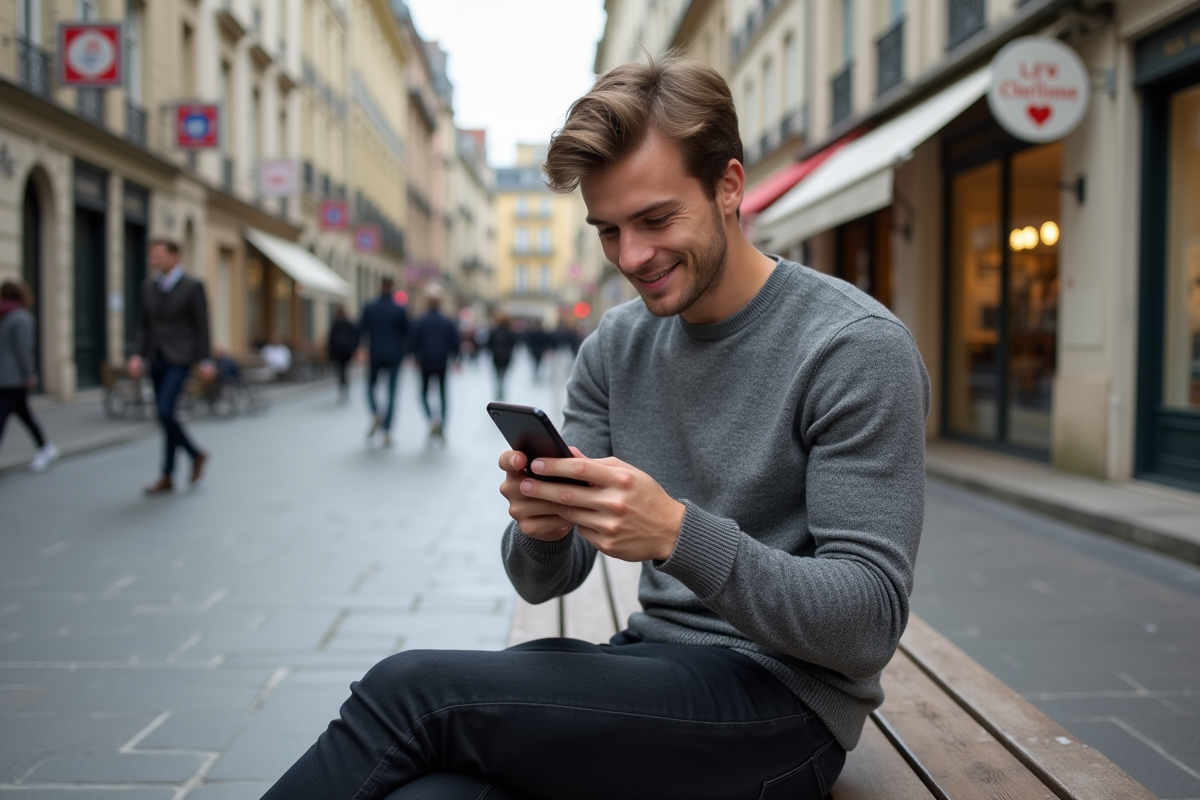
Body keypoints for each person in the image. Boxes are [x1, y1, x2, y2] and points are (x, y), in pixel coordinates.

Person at [263, 54, 929, 799]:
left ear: (729, 186)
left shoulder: (852, 347)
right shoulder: (617, 344)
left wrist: (677, 533)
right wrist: (544, 527)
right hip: (651, 669)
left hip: (785, 709)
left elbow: (869, 623)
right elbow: (542, 582)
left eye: (656, 219)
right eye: (608, 230)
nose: (632, 257)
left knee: (413, 693)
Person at [128, 239, 214, 495]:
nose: (153, 260)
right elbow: (142, 324)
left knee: (165, 412)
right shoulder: (148, 287)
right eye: (151, 256)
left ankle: (194, 454)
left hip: (180, 358)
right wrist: (137, 355)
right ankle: (168, 474)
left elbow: (202, 325)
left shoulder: (192, 286)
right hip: (155, 357)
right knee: (167, 416)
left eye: (158, 256)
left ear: (174, 256)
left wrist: (205, 360)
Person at [0, 280, 58, 473]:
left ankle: (46, 448)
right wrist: (29, 374)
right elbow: (24, 350)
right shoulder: (22, 318)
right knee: (24, 415)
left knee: (12, 416)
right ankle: (46, 448)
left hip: (10, 380)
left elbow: (21, 350)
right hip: (13, 378)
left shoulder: (8, 316)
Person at [358, 276, 408, 447]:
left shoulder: (370, 307)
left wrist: (357, 349)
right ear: (392, 286)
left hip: (375, 354)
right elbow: (406, 333)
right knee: (392, 392)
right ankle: (387, 429)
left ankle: (377, 414)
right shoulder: (399, 309)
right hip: (394, 355)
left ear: (380, 286)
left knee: (370, 388)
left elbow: (361, 329)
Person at [409, 285, 460, 441]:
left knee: (423, 393)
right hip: (442, 361)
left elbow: (413, 341)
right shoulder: (447, 321)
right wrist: (457, 359)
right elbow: (455, 342)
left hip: (425, 361)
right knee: (443, 394)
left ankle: (432, 420)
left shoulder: (420, 320)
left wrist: (414, 357)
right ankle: (442, 426)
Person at [327, 305, 359, 401]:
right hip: (347, 350)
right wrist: (353, 349)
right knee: (345, 369)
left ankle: (342, 385)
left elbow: (331, 338)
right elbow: (354, 336)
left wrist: (330, 352)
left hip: (338, 350)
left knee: (340, 369)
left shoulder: (336, 323)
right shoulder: (349, 323)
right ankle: (345, 385)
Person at [487, 312, 517, 401]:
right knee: (503, 376)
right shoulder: (510, 332)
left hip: (496, 357)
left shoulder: (494, 332)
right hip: (506, 357)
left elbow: (489, 345)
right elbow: (513, 345)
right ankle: (501, 391)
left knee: (497, 376)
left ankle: (499, 391)